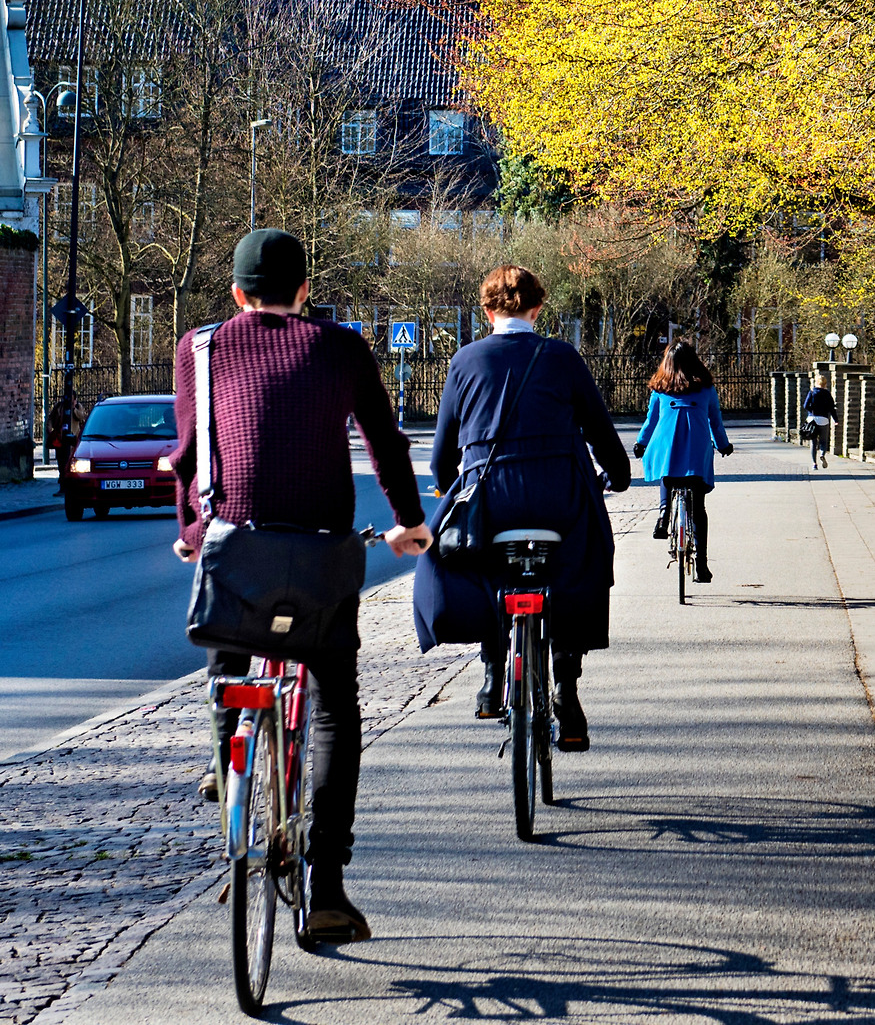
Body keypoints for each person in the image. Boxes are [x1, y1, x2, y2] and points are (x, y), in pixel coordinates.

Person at [171, 228, 430, 943]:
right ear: (306, 291)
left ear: (236, 293)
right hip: (319, 564)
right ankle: (329, 888)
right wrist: (410, 523)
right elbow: (386, 443)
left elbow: (188, 455)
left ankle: (227, 762)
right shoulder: (342, 348)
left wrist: (195, 534)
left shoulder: (201, 347)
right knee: (335, 708)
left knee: (230, 645)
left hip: (237, 553)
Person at [413, 264, 631, 752]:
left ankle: (493, 675)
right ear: (538, 308)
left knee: (478, 561)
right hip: (560, 497)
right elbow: (600, 430)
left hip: (491, 499)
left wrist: (450, 488)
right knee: (580, 565)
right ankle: (568, 694)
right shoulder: (562, 357)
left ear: (487, 310)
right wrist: (617, 475)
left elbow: (441, 451)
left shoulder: (466, 361)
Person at [633, 343, 732, 584]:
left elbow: (651, 420)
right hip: (697, 448)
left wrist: (641, 443)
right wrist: (723, 444)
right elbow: (715, 421)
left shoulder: (660, 388)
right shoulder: (706, 389)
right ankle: (702, 566)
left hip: (667, 444)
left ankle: (664, 513)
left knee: (668, 469)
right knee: (698, 509)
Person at [803, 378, 836, 469]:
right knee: (823, 441)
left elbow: (805, 405)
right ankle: (822, 454)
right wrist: (835, 420)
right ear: (825, 384)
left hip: (812, 419)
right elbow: (831, 408)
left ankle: (814, 464)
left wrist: (812, 412)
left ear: (816, 383)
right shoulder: (827, 394)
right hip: (823, 419)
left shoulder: (812, 392)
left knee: (813, 442)